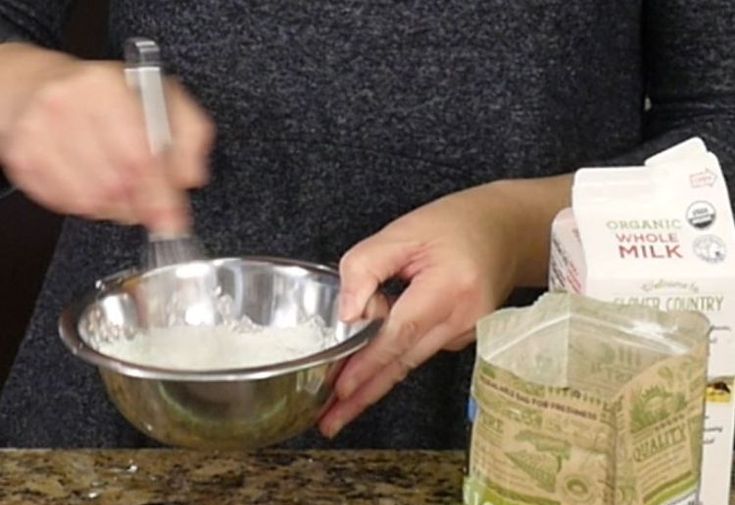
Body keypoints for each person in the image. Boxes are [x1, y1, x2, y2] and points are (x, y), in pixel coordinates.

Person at [0, 1, 733, 448]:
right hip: (124, 417)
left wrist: (525, 227)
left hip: (528, 429)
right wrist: (24, 89)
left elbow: (717, 121)